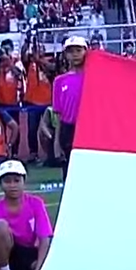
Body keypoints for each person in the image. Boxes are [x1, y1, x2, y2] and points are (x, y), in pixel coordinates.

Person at [51, 36, 89, 180]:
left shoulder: (92, 77)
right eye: (71, 51)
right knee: (69, 170)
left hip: (88, 127)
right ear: (65, 55)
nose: (75, 54)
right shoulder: (60, 81)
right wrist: (57, 141)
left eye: (79, 50)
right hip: (68, 129)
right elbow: (58, 114)